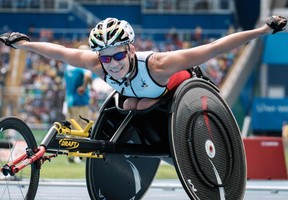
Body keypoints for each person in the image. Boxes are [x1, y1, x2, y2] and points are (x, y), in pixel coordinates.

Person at [0, 16, 286, 111]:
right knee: (127, 106)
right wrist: (24, 44)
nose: (111, 64)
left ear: (131, 49)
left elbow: (214, 48)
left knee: (137, 105)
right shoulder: (96, 63)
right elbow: (60, 52)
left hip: (175, 92)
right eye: (105, 56)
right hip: (137, 97)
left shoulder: (159, 64)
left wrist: (262, 31)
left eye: (117, 55)